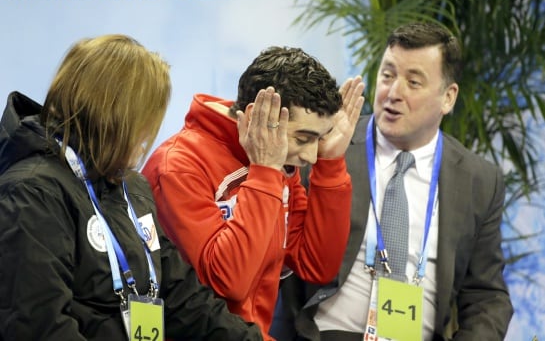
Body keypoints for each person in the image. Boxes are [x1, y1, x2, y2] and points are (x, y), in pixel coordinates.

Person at [0, 34, 264, 340]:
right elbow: (37, 325)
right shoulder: (33, 192)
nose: (145, 136)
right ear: (112, 116)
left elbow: (182, 297)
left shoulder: (130, 187)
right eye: (143, 120)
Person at [274, 22, 514, 340]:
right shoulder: (324, 146)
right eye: (387, 75)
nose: (393, 93)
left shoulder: (479, 181)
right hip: (330, 333)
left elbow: (487, 295)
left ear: (448, 97)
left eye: (413, 82)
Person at [142, 46, 365, 340]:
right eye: (303, 138)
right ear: (259, 116)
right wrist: (265, 172)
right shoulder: (178, 167)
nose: (312, 155)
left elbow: (316, 265)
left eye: (319, 139)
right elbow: (229, 283)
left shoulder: (276, 162)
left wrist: (331, 164)